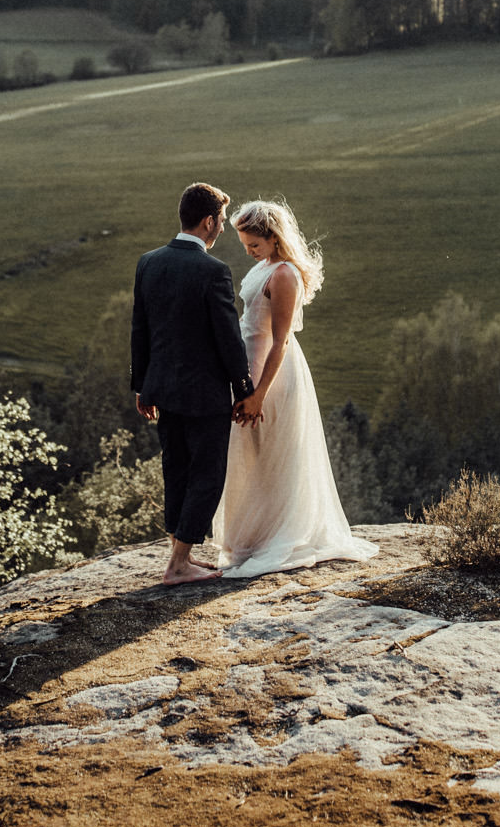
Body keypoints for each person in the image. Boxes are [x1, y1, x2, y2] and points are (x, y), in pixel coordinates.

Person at [213, 198, 378, 579]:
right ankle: (250, 539)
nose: (250, 252)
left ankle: (274, 536)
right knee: (248, 454)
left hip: (273, 375)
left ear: (273, 238)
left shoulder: (284, 275)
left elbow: (280, 341)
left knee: (272, 453)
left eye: (255, 245)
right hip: (248, 368)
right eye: (245, 246)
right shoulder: (265, 267)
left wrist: (258, 394)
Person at [130, 182, 256, 585]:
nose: (220, 230)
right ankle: (179, 564)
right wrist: (244, 388)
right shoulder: (213, 271)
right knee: (207, 473)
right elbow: (228, 339)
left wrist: (142, 387)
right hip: (204, 395)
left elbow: (141, 330)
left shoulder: (148, 262)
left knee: (176, 469)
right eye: (219, 222)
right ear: (208, 221)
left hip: (162, 391)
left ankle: (178, 556)